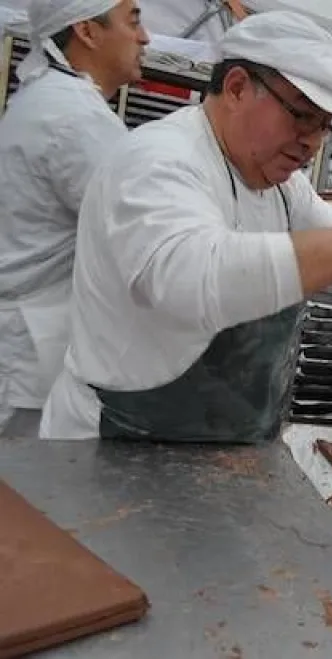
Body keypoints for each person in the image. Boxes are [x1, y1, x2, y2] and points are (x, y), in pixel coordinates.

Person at [39, 11, 332, 442]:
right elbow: (192, 281)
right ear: (239, 86)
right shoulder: (159, 161)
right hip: (118, 440)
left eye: (324, 126)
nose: (311, 142)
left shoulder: (281, 185)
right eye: (302, 116)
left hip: (221, 440)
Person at [0, 0, 149, 438]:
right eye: (133, 21)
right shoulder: (76, 119)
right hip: (28, 354)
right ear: (87, 30)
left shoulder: (48, 98)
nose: (145, 38)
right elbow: (144, 235)